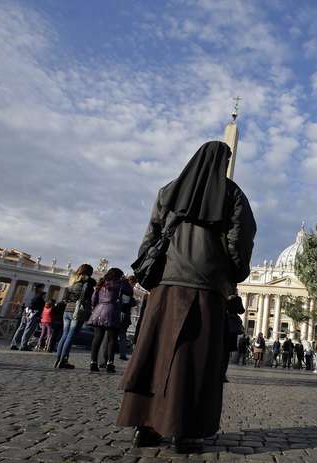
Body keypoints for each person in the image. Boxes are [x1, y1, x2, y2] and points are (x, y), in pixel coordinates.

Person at [117, 141, 256, 452]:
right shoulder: (232, 195)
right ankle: (186, 431)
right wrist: (230, 273)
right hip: (206, 288)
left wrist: (150, 268)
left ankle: (146, 426)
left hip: (166, 285)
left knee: (155, 352)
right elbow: (240, 242)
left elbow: (151, 233)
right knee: (194, 359)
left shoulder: (169, 190)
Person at [54, 264, 96, 369]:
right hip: (77, 311)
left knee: (64, 335)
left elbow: (65, 297)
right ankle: (63, 360)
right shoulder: (87, 284)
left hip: (67, 310)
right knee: (70, 336)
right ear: (89, 273)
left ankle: (58, 360)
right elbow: (89, 298)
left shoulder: (72, 282)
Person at [87, 268, 124, 374]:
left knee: (97, 338)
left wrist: (95, 309)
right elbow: (122, 298)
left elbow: (93, 299)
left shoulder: (101, 284)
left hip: (98, 311)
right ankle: (110, 364)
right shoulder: (118, 285)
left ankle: (93, 362)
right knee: (112, 340)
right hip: (112, 311)